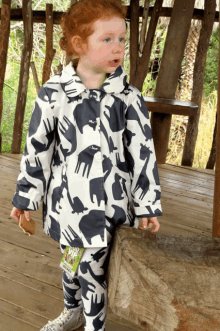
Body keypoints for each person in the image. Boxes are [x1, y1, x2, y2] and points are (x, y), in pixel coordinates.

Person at [10, 0, 163, 330]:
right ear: (79, 44)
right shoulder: (54, 94)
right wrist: (25, 199)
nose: (117, 47)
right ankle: (72, 309)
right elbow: (38, 149)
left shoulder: (128, 99)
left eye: (121, 39)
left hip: (111, 205)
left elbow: (143, 154)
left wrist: (148, 204)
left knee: (92, 272)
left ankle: (94, 324)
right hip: (67, 205)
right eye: (106, 39)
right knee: (70, 263)